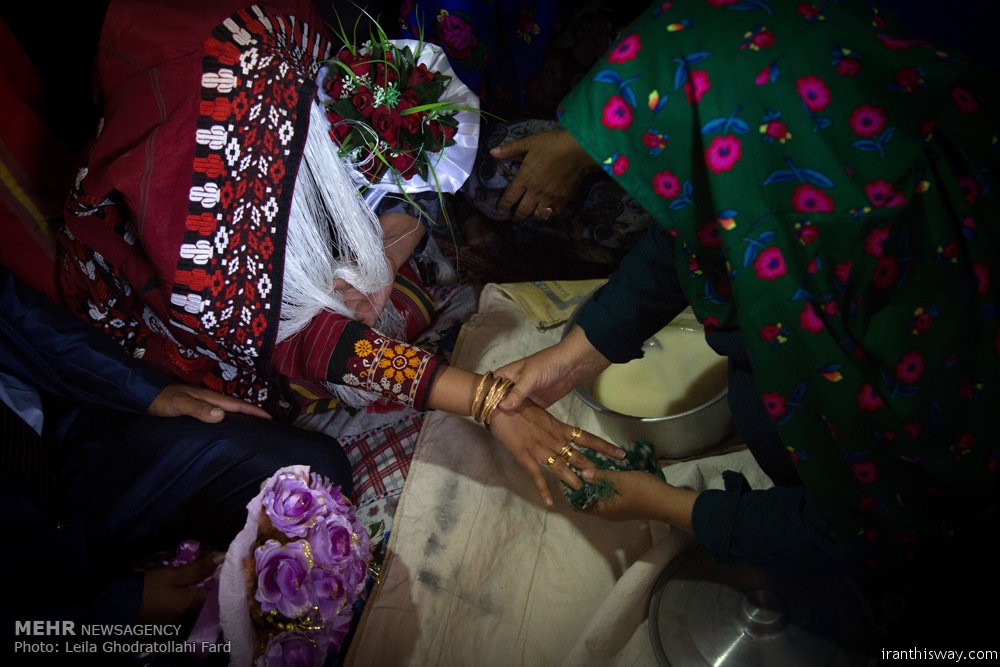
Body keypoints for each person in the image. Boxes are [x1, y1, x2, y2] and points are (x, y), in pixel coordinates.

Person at [493, 0, 1000, 645]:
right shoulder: (798, 154)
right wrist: (575, 353)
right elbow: (694, 232)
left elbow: (876, 523)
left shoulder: (896, 294)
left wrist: (668, 506)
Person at [53, 0, 623, 509]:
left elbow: (359, 153)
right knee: (308, 425)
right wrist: (486, 401)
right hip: (186, 308)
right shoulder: (201, 220)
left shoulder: (267, 29)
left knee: (406, 300)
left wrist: (391, 243)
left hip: (263, 219)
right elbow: (311, 340)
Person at [0, 264, 355, 664]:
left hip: (63, 439)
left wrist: (150, 391)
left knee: (306, 480)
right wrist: (114, 612)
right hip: (25, 589)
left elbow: (15, 313)